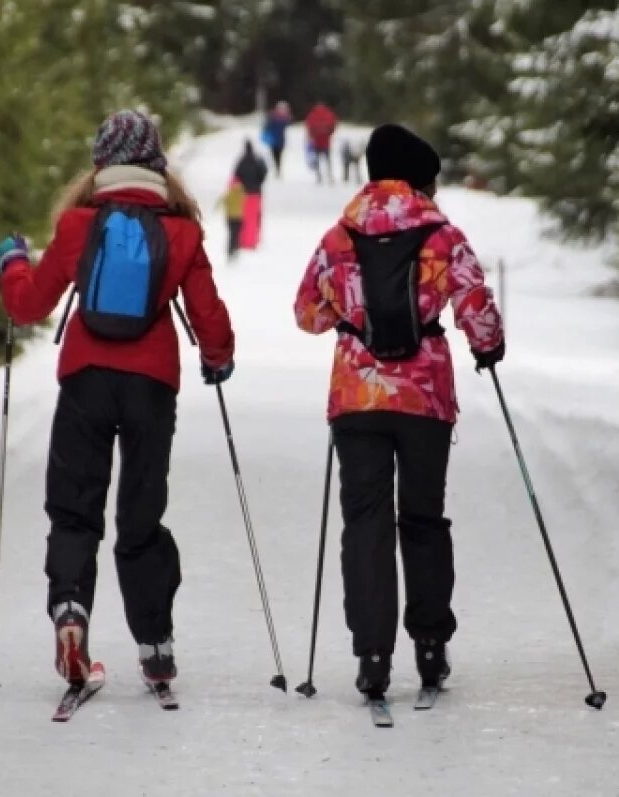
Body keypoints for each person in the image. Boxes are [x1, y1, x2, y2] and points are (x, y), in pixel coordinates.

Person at [0, 109, 236, 692]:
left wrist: (12, 264)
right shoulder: (180, 230)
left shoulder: (80, 224)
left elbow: (28, 305)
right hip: (152, 386)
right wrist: (217, 358)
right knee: (140, 516)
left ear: (101, 160)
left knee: (75, 509)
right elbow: (208, 315)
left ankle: (71, 611)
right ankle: (155, 643)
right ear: (155, 160)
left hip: (85, 379)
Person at [292, 123, 505, 701]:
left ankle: (373, 654)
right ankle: (431, 646)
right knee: (423, 518)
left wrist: (348, 316)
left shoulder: (340, 236)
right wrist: (488, 346)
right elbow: (476, 304)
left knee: (365, 521)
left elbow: (306, 314)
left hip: (357, 397)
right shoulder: (442, 234)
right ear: (421, 179)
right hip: (424, 397)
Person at [232, 140, 268, 250]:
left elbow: (236, 175)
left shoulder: (241, 161)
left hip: (244, 194)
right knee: (254, 218)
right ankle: (253, 241)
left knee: (245, 218)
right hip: (256, 193)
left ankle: (244, 241)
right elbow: (263, 173)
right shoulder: (258, 161)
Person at [304, 102, 338, 184]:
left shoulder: (312, 115)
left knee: (317, 160)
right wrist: (329, 133)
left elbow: (309, 126)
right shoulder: (329, 114)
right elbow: (333, 125)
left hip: (316, 142)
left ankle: (319, 176)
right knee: (328, 160)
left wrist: (311, 136)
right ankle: (330, 176)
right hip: (326, 142)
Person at [261, 101, 293, 177]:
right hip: (276, 139)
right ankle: (277, 169)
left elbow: (267, 126)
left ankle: (277, 169)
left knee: (277, 155)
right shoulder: (277, 117)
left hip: (277, 140)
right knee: (276, 155)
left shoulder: (276, 117)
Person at [217, 177, 245, 260]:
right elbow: (245, 203)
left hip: (230, 217)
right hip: (239, 217)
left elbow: (221, 202)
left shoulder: (229, 193)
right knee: (236, 234)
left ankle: (230, 250)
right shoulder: (242, 194)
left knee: (231, 234)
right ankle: (235, 249)